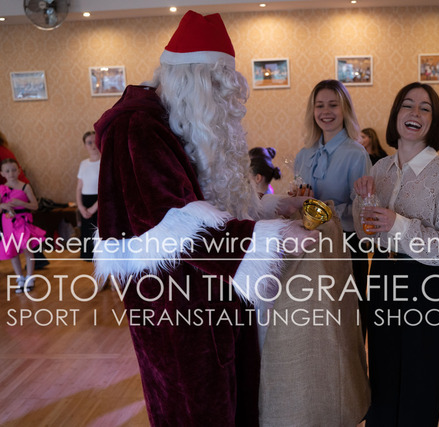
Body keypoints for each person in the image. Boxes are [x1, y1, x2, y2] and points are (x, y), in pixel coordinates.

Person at [92, 11, 315, 427]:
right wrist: (278, 236)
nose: (224, 105)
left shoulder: (176, 121)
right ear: (192, 81)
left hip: (214, 299)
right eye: (216, 88)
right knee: (198, 411)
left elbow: (208, 201)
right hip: (176, 311)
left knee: (237, 400)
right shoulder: (136, 128)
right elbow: (172, 228)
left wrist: (266, 210)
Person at [353, 82, 439, 426]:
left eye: (425, 107)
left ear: (434, 121)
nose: (414, 112)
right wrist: (363, 200)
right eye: (407, 104)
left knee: (419, 376)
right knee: (383, 370)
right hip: (382, 275)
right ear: (396, 114)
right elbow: (366, 234)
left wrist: (398, 224)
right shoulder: (379, 169)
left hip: (423, 280)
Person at [294, 79, 371, 339]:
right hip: (311, 245)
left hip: (347, 246)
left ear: (345, 109)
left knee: (349, 320)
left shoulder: (356, 154)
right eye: (319, 106)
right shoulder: (303, 155)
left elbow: (362, 211)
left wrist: (322, 209)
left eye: (333, 105)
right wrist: (298, 201)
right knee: (320, 320)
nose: (326, 112)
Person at [0, 158, 46, 293]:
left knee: (27, 248)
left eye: (14, 170)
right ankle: (20, 278)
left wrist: (22, 203)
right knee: (12, 250)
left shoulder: (25, 187)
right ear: (2, 173)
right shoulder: (1, 189)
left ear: (19, 171)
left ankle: (30, 277)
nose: (11, 173)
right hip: (8, 222)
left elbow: (35, 206)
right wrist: (3, 205)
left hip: (23, 221)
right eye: (7, 171)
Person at [75, 131, 100, 260]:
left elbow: (106, 189)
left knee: (100, 237)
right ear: (85, 145)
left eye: (95, 141)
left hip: (100, 202)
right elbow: (79, 188)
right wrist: (81, 207)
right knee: (88, 238)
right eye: (89, 142)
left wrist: (94, 208)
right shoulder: (83, 164)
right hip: (86, 203)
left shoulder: (104, 162)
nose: (93, 145)